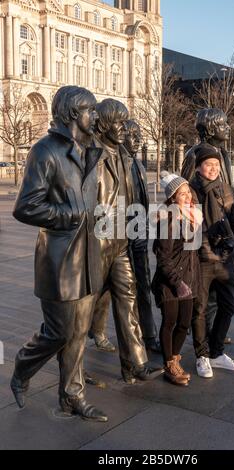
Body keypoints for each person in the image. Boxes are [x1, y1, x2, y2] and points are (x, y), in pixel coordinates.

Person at [10, 86, 108, 422]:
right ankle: (22, 368)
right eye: (90, 110)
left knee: (80, 334)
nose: (95, 116)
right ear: (71, 113)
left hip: (89, 256)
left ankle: (72, 396)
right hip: (59, 259)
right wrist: (69, 215)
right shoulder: (45, 151)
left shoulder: (92, 152)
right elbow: (25, 207)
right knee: (59, 332)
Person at [89, 99, 163, 384]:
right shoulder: (91, 154)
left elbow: (132, 197)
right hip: (99, 239)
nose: (124, 130)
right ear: (104, 125)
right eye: (119, 124)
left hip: (125, 237)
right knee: (82, 308)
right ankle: (66, 361)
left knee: (129, 295)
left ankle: (135, 363)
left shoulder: (127, 158)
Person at [190, 144, 234, 378]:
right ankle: (202, 356)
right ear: (199, 167)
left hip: (226, 259)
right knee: (200, 309)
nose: (212, 168)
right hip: (201, 259)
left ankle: (217, 352)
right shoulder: (191, 190)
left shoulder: (226, 190)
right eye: (208, 164)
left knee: (229, 305)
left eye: (216, 165)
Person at [182, 108, 233, 345]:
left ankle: (214, 332)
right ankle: (205, 333)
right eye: (223, 125)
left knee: (221, 290)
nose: (228, 128)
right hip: (202, 231)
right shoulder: (194, 154)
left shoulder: (224, 154)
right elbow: (183, 192)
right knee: (204, 291)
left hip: (223, 228)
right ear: (211, 128)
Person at [152, 172, 203, 386]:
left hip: (189, 279)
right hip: (169, 282)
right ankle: (169, 365)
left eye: (188, 192)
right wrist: (177, 283)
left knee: (184, 324)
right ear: (173, 198)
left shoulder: (193, 217)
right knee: (170, 322)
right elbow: (163, 258)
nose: (187, 196)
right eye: (182, 193)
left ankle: (174, 358)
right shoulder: (168, 221)